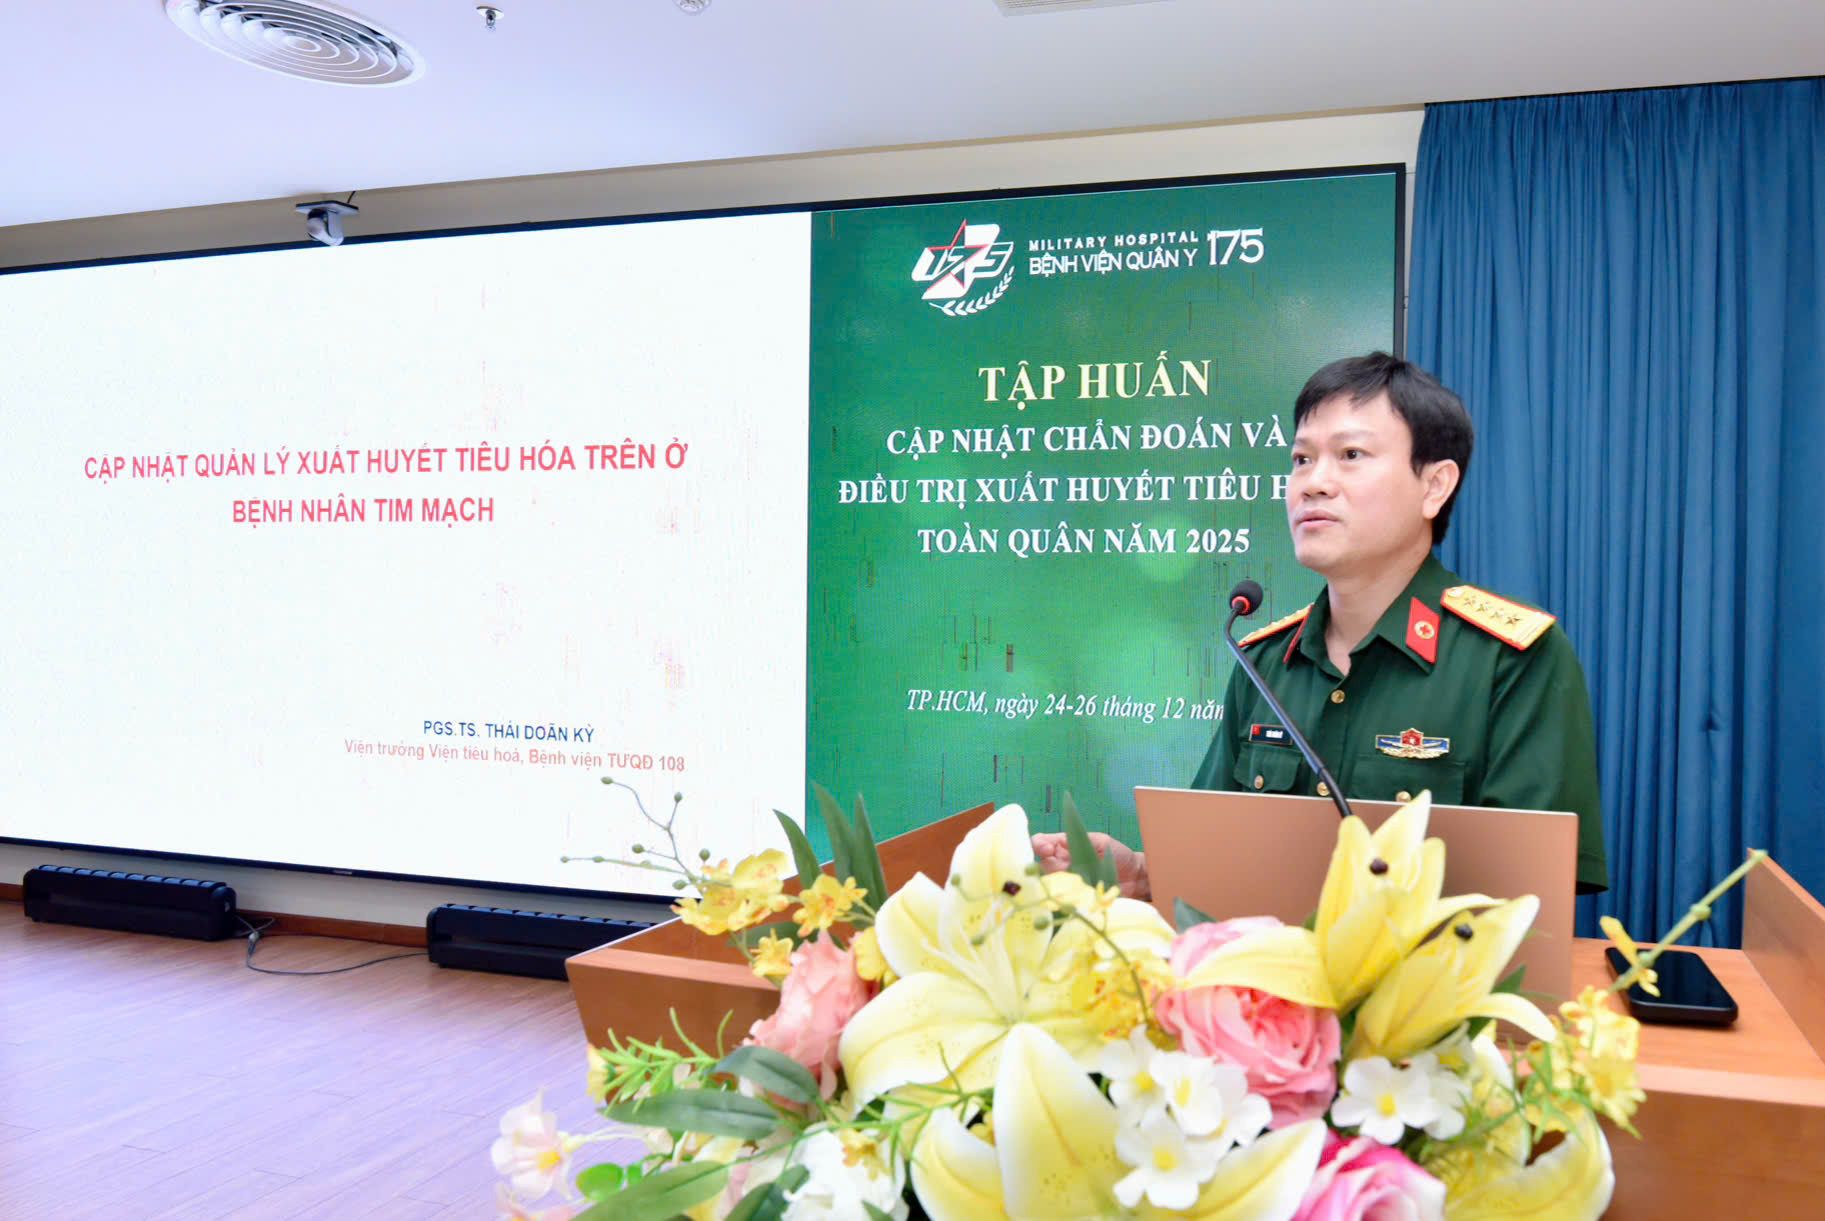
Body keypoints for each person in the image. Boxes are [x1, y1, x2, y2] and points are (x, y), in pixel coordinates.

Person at [1034, 353, 1609, 896]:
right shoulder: (1264, 662)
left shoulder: (1511, 660)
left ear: (1435, 485)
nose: (1313, 482)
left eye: (1351, 455)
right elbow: (1215, 856)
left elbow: (1529, 899)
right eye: (1302, 459)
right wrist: (1143, 876)